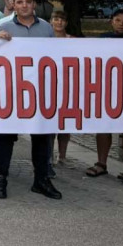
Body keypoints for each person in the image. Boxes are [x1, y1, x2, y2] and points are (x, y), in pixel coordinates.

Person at [0, 0, 59, 199]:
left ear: (34, 4)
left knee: (41, 137)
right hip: (12, 91)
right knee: (5, 137)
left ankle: (41, 180)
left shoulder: (46, 28)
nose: (24, 6)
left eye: (28, 2)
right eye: (19, 2)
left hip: (39, 90)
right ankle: (0, 179)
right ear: (14, 4)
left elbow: (57, 56)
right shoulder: (4, 26)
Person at [86, 7, 123, 179]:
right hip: (107, 87)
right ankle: (101, 163)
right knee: (103, 126)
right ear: (111, 21)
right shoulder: (103, 39)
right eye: (118, 20)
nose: (121, 24)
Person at [48, 9, 73, 168]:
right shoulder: (44, 39)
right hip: (49, 85)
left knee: (65, 124)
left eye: (62, 20)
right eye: (56, 19)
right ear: (51, 21)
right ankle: (48, 154)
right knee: (49, 123)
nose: (59, 22)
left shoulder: (73, 40)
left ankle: (62, 155)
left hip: (67, 85)